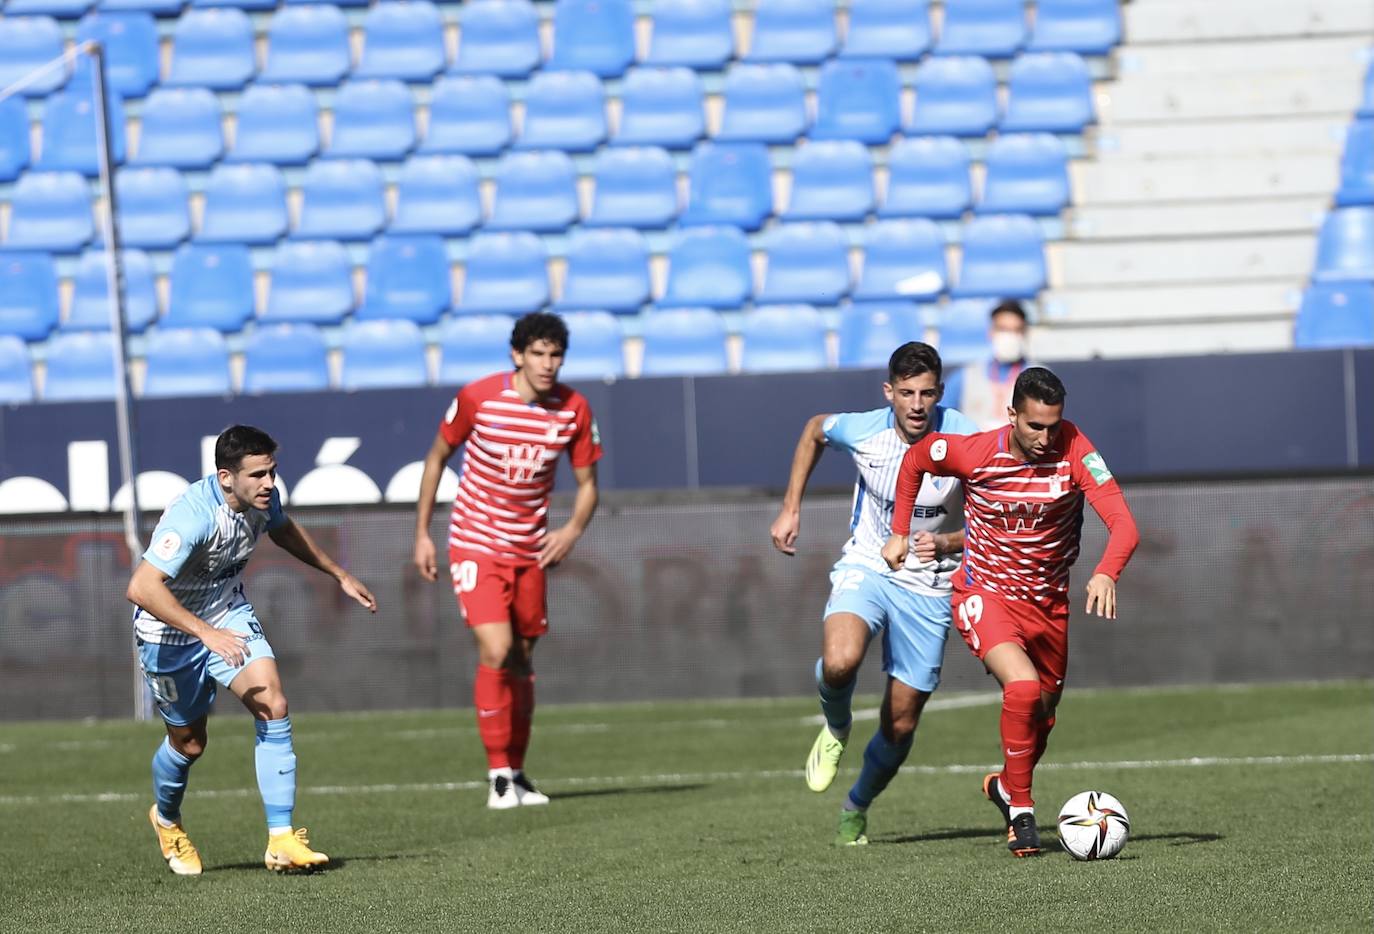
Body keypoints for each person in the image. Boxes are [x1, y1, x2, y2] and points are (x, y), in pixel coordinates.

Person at [881, 367, 1140, 856]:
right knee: (1021, 687)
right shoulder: (975, 452)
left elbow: (1124, 524)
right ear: (1012, 415)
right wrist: (899, 531)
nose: (1045, 437)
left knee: (1042, 715)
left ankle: (1005, 786)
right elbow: (916, 458)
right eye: (1034, 426)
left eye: (1053, 426)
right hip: (985, 594)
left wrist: (1107, 572)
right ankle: (1022, 813)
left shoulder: (1077, 450)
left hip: (1049, 604)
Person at [128, 425, 378, 875]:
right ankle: (166, 820)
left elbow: (283, 530)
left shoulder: (262, 501)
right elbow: (142, 588)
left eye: (272, 472)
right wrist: (205, 634)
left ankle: (281, 840)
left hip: (226, 613)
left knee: (273, 704)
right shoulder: (194, 516)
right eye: (258, 475)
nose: (269, 483)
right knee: (189, 744)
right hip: (168, 632)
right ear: (226, 477)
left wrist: (338, 574)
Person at [769, 342, 977, 845]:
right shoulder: (864, 431)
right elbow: (814, 430)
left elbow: (994, 519)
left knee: (900, 724)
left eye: (926, 393)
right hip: (870, 564)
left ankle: (856, 804)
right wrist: (791, 507)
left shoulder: (969, 440)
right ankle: (836, 727)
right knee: (840, 661)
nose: (917, 405)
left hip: (930, 584)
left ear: (940, 393)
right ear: (889, 392)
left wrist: (947, 542)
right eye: (907, 393)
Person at [413, 312, 602, 809]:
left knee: (521, 658)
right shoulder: (479, 397)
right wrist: (423, 534)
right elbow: (436, 457)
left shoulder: (574, 409)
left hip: (530, 550)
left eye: (555, 355)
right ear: (517, 355)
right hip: (475, 541)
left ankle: (517, 772)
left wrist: (571, 531)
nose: (547, 364)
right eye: (537, 353)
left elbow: (588, 485)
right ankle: (498, 775)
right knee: (496, 649)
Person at [943, 299, 1033, 431]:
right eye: (1003, 329)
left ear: (1025, 333)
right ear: (991, 332)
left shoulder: (1039, 378)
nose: (1009, 336)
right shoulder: (965, 377)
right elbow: (942, 423)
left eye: (1016, 330)